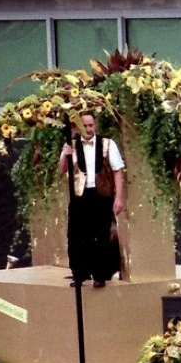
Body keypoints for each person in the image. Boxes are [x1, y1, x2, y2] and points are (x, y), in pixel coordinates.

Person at [58, 112, 125, 288]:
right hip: (80, 195)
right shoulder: (71, 144)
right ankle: (79, 273)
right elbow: (62, 170)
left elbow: (117, 171)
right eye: (85, 126)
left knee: (101, 235)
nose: (88, 129)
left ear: (95, 125)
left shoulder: (107, 144)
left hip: (101, 194)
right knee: (76, 235)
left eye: (91, 125)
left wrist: (119, 197)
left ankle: (100, 274)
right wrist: (65, 155)